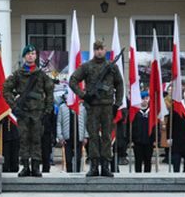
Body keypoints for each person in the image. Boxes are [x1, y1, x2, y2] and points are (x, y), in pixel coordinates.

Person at [70, 39, 123, 177]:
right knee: (93, 136)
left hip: (107, 107)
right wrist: (83, 95)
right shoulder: (87, 66)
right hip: (92, 107)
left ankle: (105, 166)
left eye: (102, 48)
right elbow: (73, 80)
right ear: (94, 50)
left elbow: (120, 85)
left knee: (106, 136)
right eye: (97, 49)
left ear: (105, 50)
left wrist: (117, 104)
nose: (99, 51)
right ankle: (94, 166)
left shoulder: (112, 67)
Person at [3, 45, 54, 177]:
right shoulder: (18, 74)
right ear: (24, 57)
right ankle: (25, 166)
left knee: (36, 139)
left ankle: (36, 167)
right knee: (24, 139)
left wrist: (48, 110)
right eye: (28, 54)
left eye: (32, 53)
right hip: (23, 112)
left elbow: (49, 92)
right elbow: (6, 89)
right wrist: (13, 107)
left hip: (38, 112)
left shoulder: (41, 75)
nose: (30, 56)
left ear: (36, 56)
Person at [56, 97, 87, 173]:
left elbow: (86, 123)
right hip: (67, 138)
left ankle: (77, 174)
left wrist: (85, 136)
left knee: (78, 159)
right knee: (68, 159)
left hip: (79, 137)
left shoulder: (82, 108)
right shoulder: (62, 108)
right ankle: (69, 173)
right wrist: (60, 136)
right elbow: (59, 123)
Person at [131, 91, 155, 173]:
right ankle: (137, 176)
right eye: (142, 99)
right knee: (138, 160)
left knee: (148, 160)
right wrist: (130, 139)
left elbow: (155, 126)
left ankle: (148, 176)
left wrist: (156, 139)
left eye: (146, 98)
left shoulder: (152, 112)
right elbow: (130, 127)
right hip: (137, 141)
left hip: (149, 141)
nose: (144, 100)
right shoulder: (135, 112)